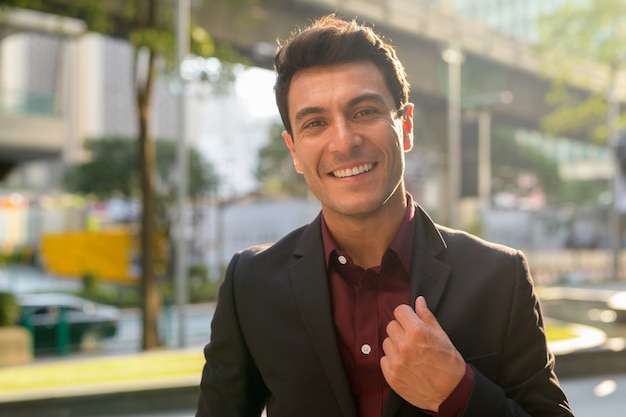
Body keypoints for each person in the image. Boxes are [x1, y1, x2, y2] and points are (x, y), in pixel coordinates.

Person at [195, 14, 574, 417]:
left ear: (405, 126)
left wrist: (459, 392)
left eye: (364, 112)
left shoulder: (499, 276)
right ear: (294, 151)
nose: (344, 141)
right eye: (316, 123)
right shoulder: (250, 284)